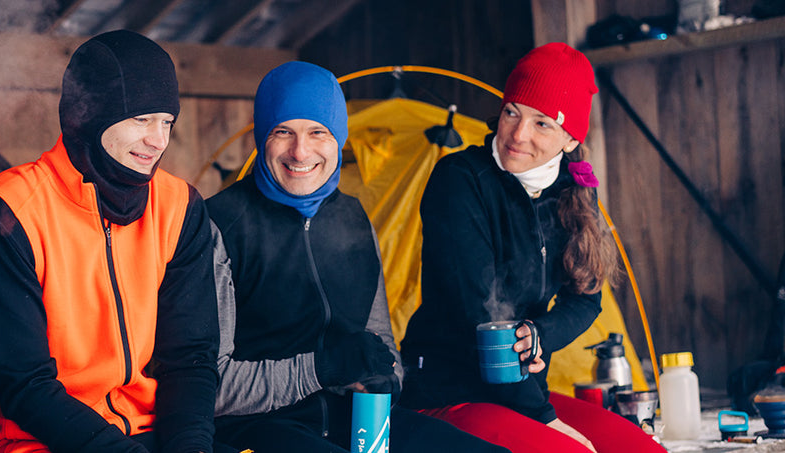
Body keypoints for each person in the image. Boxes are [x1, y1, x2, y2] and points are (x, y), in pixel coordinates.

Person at [207, 61, 508, 453]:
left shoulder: (351, 216)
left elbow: (380, 339)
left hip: (357, 417)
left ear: (339, 138)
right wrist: (321, 368)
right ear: (263, 135)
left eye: (318, 132)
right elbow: (210, 387)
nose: (301, 151)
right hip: (260, 427)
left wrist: (389, 378)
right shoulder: (221, 223)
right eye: (283, 132)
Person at [0, 30, 226, 453]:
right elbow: (23, 384)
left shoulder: (178, 205)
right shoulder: (10, 211)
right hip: (42, 442)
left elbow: (191, 356)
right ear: (90, 114)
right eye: (141, 119)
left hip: (152, 434)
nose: (158, 140)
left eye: (166, 121)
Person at [398, 43, 665, 453]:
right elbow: (480, 317)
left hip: (523, 394)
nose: (518, 135)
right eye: (511, 112)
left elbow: (585, 301)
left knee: (641, 449)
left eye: (542, 123)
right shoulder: (460, 181)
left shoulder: (574, 191)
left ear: (570, 136)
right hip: (448, 391)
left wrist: (539, 334)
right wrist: (545, 418)